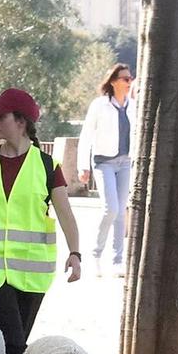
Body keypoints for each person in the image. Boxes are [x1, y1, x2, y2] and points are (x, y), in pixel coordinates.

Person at [0, 88, 82, 354]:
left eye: (1, 116)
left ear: (21, 121)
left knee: (15, 346)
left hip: (33, 270)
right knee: (10, 340)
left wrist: (76, 253)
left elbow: (65, 213)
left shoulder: (48, 167)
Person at [78, 63, 135, 273]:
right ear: (113, 81)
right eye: (125, 79)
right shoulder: (99, 105)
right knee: (110, 209)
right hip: (104, 162)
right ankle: (96, 253)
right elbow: (86, 136)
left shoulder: (133, 105)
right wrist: (83, 166)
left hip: (125, 162)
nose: (129, 82)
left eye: (130, 79)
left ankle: (117, 260)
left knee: (121, 212)